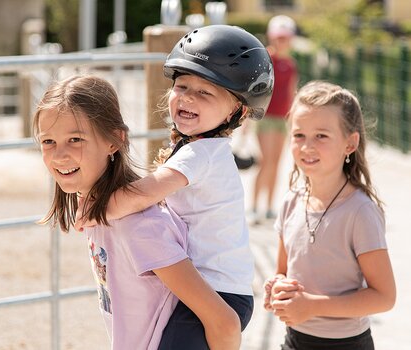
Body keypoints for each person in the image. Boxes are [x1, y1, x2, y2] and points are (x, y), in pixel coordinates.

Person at [76, 25, 274, 349]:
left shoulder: (201, 154)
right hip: (209, 288)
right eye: (182, 85)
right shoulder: (200, 149)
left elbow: (146, 192)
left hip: (218, 293)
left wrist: (96, 211)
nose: (188, 98)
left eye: (205, 92)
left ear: (236, 112)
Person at [33, 75, 244, 350]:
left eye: (75, 139)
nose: (59, 155)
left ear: (114, 141)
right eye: (48, 141)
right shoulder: (98, 210)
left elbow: (224, 322)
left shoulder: (139, 225)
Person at [263, 81, 396, 349]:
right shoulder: (291, 202)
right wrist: (276, 288)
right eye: (299, 135)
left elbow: (384, 296)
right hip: (293, 341)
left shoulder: (360, 212)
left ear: (350, 143)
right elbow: (282, 271)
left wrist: (312, 307)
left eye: (321, 136)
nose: (307, 146)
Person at [250, 15, 298, 224]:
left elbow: (291, 93)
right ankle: (253, 207)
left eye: (285, 38)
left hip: (282, 120)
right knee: (266, 162)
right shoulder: (266, 59)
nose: (282, 41)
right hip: (266, 117)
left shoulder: (291, 63)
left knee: (277, 164)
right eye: (279, 37)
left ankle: (269, 207)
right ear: (271, 37)